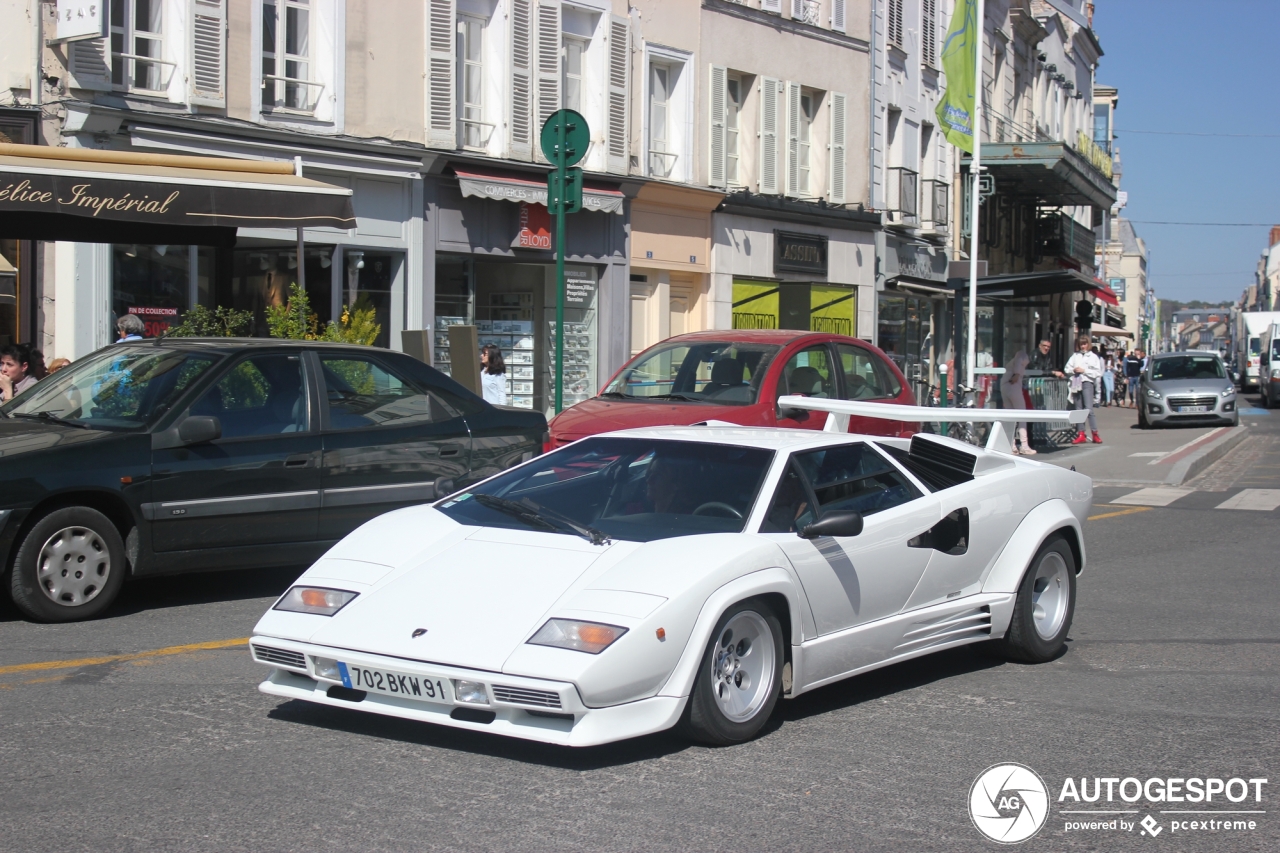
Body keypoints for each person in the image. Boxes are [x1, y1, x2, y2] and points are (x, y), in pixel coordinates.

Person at [1064, 334, 1104, 444]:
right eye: (1081, 344)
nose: (1083, 346)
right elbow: (1067, 368)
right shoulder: (1075, 356)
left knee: (1089, 409)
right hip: (1076, 383)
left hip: (1087, 382)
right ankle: (1080, 433)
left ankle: (1095, 433)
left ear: (1088, 344)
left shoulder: (1093, 357)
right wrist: (1074, 370)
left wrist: (1084, 371)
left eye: (1085, 344)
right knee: (1078, 409)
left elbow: (1097, 372)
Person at [999, 348, 1035, 455]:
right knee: (1022, 415)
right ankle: (1024, 445)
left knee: (1010, 417)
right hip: (1013, 386)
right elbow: (1020, 360)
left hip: (1004, 386)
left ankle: (1011, 445)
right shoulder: (1022, 355)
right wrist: (1017, 374)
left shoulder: (1010, 364)